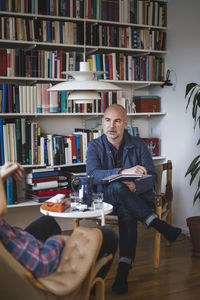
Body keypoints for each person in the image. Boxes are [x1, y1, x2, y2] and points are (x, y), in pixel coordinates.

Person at [86, 104, 182, 294]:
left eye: (117, 121)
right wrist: (123, 172)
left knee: (127, 210)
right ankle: (158, 224)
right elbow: (93, 175)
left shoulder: (138, 145)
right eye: (107, 120)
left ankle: (122, 273)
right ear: (102, 122)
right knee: (116, 186)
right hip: (107, 200)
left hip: (134, 201)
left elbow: (152, 177)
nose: (111, 126)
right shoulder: (94, 146)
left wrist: (136, 186)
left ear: (125, 124)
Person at [0, 162, 118, 280]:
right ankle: (87, 292)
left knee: (47, 222)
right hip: (39, 265)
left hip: (19, 238)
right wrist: (59, 241)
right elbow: (42, 265)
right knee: (108, 234)